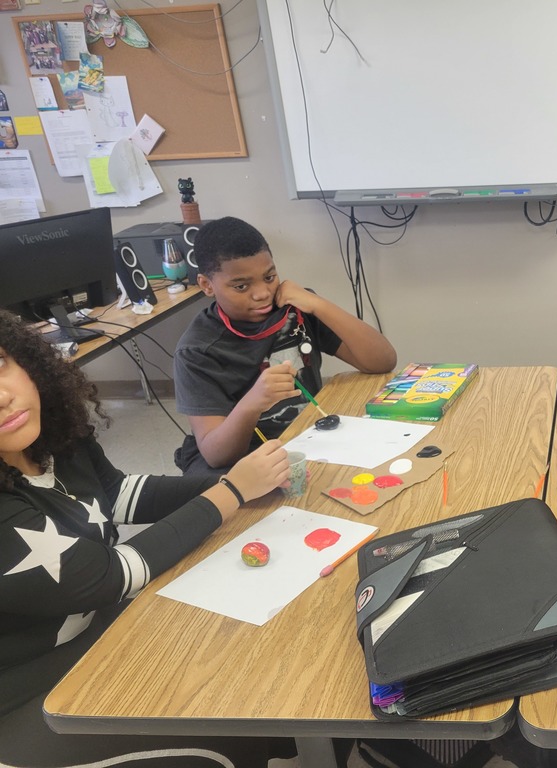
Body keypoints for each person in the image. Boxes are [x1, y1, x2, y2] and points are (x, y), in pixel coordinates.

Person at [0, 309, 292, 766]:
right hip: (26, 693)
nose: (2, 397)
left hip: (96, 632)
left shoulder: (47, 432)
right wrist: (233, 491)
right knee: (222, 728)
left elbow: (116, 494)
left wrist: (241, 481)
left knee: (246, 654)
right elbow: (111, 576)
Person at [174, 216, 397, 476]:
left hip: (308, 437)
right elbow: (217, 455)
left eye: (269, 277)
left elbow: (382, 361)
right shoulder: (196, 351)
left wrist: (318, 304)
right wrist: (252, 403)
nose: (262, 294)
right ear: (206, 285)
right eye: (242, 286)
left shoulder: (295, 309)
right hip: (248, 458)